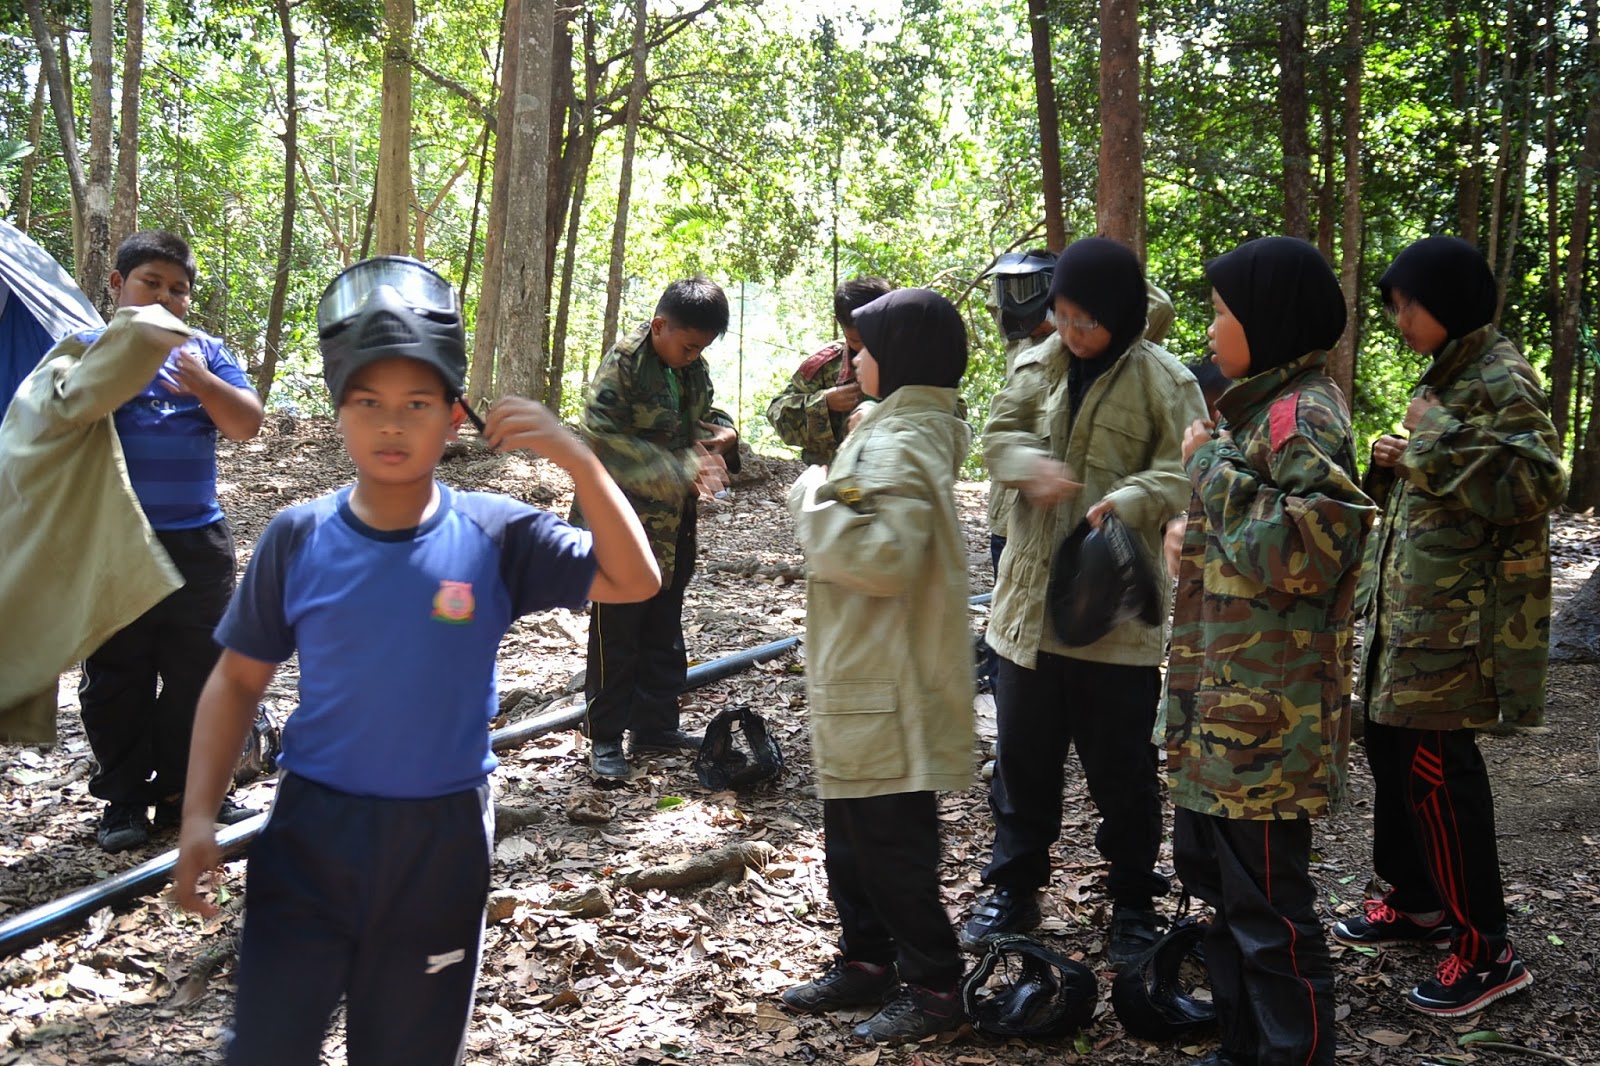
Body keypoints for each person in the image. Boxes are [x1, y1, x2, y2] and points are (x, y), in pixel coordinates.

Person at [172, 255, 660, 1066]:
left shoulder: (496, 534)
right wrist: (197, 816)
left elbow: (633, 579)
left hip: (441, 839)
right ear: (339, 413)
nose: (391, 424)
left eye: (417, 404)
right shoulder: (299, 536)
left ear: (453, 417)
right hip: (311, 832)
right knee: (265, 1045)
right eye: (368, 402)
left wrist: (579, 460)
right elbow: (236, 679)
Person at [1333, 236, 1565, 1018]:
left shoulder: (1502, 373)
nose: (1399, 318)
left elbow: (1536, 481)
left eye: (1409, 304)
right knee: (1392, 749)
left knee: (1438, 775)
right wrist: (1403, 454)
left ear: (1450, 303)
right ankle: (1417, 901)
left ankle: (1487, 951)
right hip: (1415, 621)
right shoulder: (1455, 371)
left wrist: (1429, 438)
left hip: (1459, 632)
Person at [961, 237, 1204, 968]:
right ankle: (1014, 889)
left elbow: (1192, 474)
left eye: (1086, 321)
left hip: (1115, 622)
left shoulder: (1166, 381)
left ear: (1124, 315)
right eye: (1061, 316)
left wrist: (1134, 497)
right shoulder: (1035, 363)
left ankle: (1133, 901)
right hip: (1025, 612)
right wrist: (1024, 464)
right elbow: (995, 437)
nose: (1071, 332)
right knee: (1021, 766)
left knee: (1123, 774)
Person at [1162, 236, 1374, 1066]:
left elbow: (1312, 548)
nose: (1212, 330)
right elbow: (1254, 545)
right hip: (1223, 712)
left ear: (1269, 320)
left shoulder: (1301, 415)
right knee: (1223, 891)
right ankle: (1243, 1046)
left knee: (1271, 913)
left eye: (1222, 313)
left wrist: (1206, 465)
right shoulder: (1257, 411)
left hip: (1264, 725)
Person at [781, 288, 973, 1044]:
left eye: (863, 348)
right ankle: (866, 963)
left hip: (886, 681)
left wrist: (810, 496)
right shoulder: (895, 428)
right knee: (852, 836)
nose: (851, 357)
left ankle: (934, 986)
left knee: (891, 846)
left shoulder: (903, 441)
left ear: (900, 358)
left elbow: (881, 554)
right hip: (865, 670)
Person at [76, 230, 265, 853]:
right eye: (149, 282)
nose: (164, 296)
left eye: (177, 288)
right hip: (112, 544)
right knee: (117, 674)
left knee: (199, 671)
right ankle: (124, 798)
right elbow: (51, 426)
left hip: (197, 542)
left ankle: (189, 791)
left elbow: (246, 424)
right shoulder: (86, 350)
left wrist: (202, 384)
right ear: (117, 285)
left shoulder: (206, 351)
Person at [576, 277, 742, 780]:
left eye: (702, 348)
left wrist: (726, 435)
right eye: (688, 345)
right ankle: (604, 736)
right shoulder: (624, 364)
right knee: (617, 628)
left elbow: (697, 419)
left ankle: (654, 723)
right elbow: (600, 436)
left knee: (664, 621)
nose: (693, 356)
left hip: (675, 521)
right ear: (659, 326)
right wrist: (676, 469)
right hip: (622, 518)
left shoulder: (692, 369)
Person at [766, 276, 894, 466]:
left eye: (874, 338)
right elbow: (777, 413)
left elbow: (950, 414)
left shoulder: (909, 362)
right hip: (830, 480)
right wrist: (824, 403)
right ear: (840, 325)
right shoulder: (826, 365)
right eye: (857, 341)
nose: (866, 352)